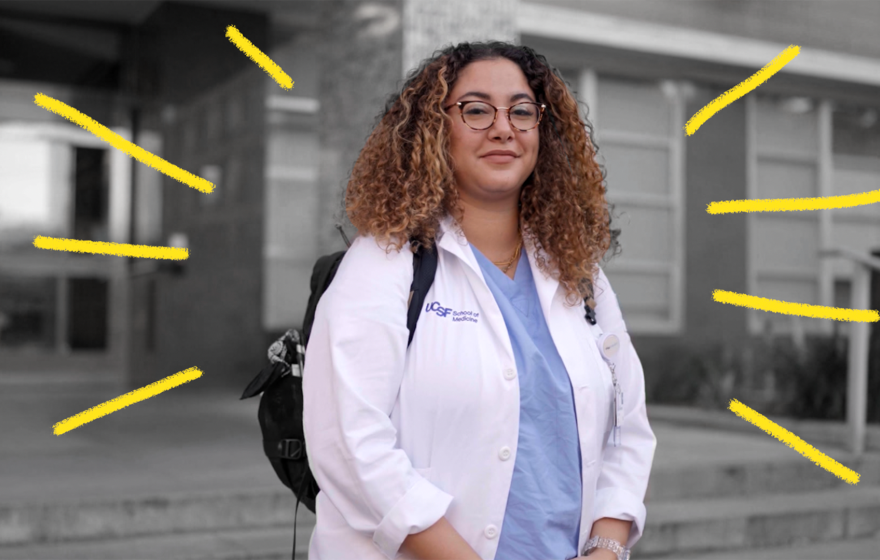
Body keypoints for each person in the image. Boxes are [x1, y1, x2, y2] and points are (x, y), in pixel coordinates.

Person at [302, 41, 656, 560]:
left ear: (543, 130)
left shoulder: (579, 274)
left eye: (521, 110)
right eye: (476, 109)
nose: (503, 128)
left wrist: (607, 544)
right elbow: (350, 445)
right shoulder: (384, 263)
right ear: (433, 128)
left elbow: (628, 427)